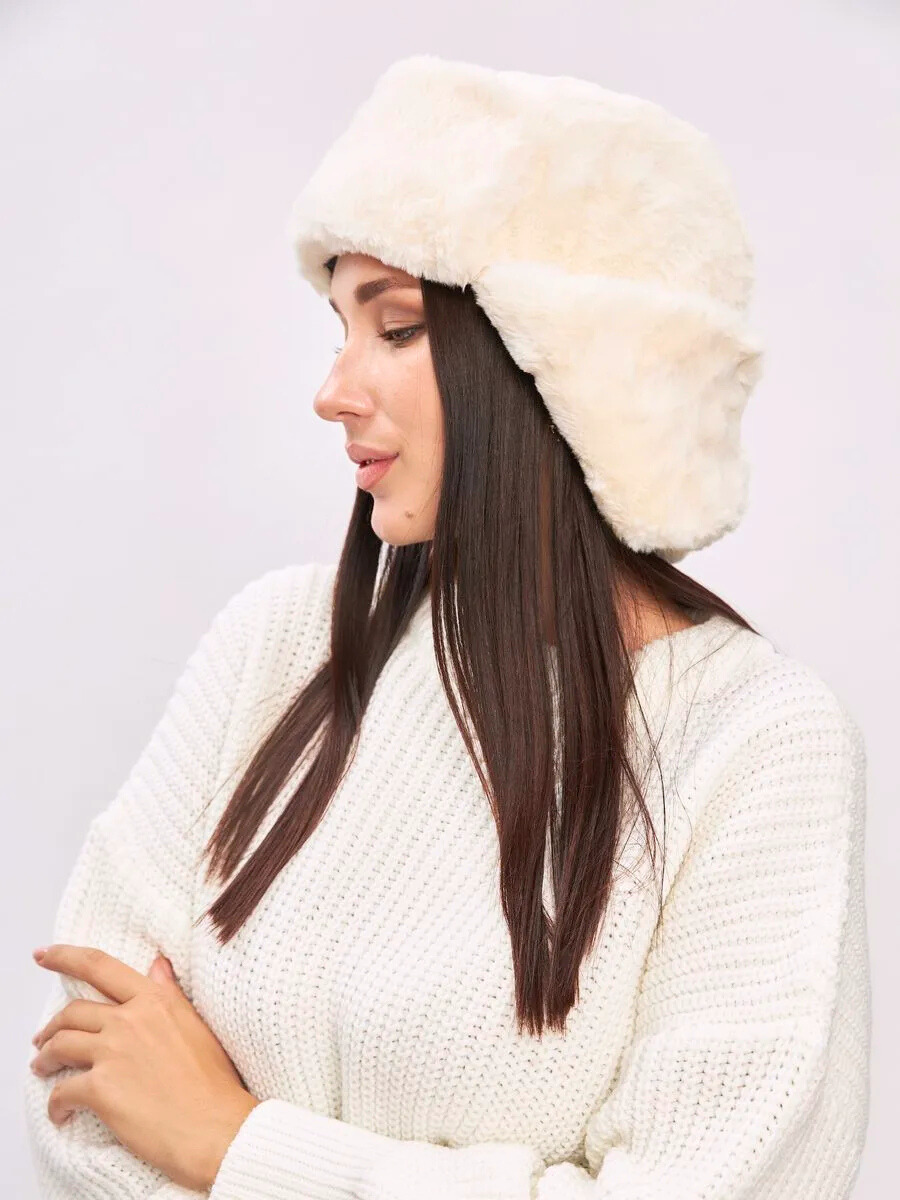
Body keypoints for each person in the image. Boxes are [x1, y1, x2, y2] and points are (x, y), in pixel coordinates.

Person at [23, 55, 870, 1199]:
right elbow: (85, 1100)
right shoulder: (279, 648)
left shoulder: (755, 744)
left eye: (398, 328)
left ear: (562, 367)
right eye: (339, 327)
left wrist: (236, 1148)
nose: (333, 389)